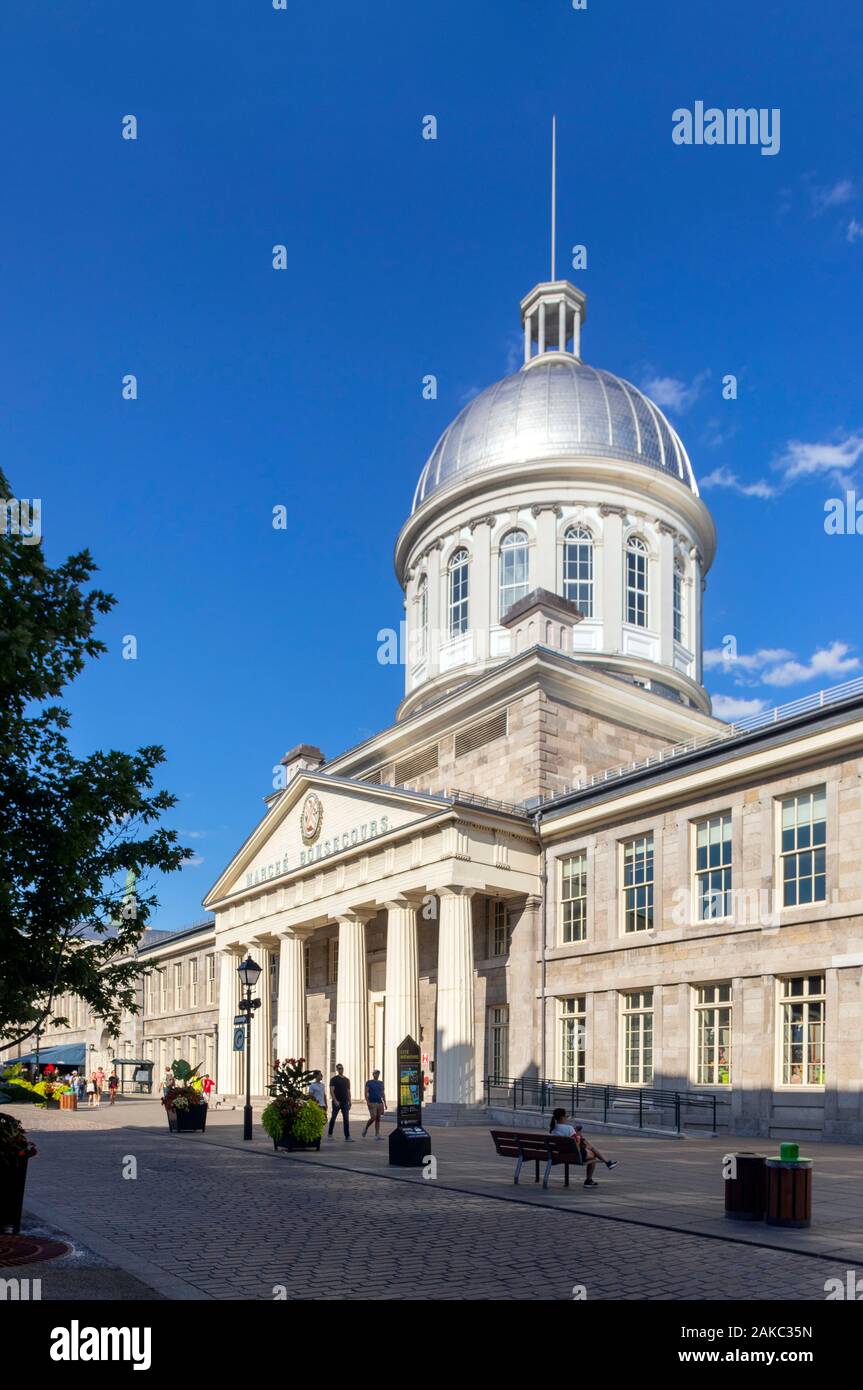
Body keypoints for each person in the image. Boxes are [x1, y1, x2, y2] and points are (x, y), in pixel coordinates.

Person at [549, 1108, 617, 1189]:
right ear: (562, 1117)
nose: (567, 1118)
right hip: (575, 1154)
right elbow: (577, 1143)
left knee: (588, 1145)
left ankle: (608, 1162)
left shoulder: (553, 1128)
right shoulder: (569, 1128)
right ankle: (590, 1179)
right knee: (593, 1155)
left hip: (561, 1153)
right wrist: (578, 1135)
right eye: (566, 1116)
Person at [327, 1064, 353, 1141]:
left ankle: (347, 1136)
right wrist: (335, 1100)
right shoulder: (334, 1079)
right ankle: (330, 1133)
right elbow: (331, 1091)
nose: (340, 1070)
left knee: (346, 1119)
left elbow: (348, 1091)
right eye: (339, 1069)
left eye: (341, 1068)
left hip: (345, 1102)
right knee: (333, 1118)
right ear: (337, 1070)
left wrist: (350, 1101)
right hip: (337, 1102)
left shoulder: (347, 1080)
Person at [362, 1070, 387, 1139]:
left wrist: (385, 1103)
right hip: (372, 1102)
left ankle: (377, 1134)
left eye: (378, 1073)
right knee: (373, 1117)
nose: (377, 1075)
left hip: (379, 1102)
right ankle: (366, 1128)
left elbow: (382, 1093)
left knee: (378, 1118)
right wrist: (367, 1101)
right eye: (376, 1073)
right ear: (373, 1074)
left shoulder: (381, 1083)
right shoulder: (369, 1082)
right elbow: (366, 1092)